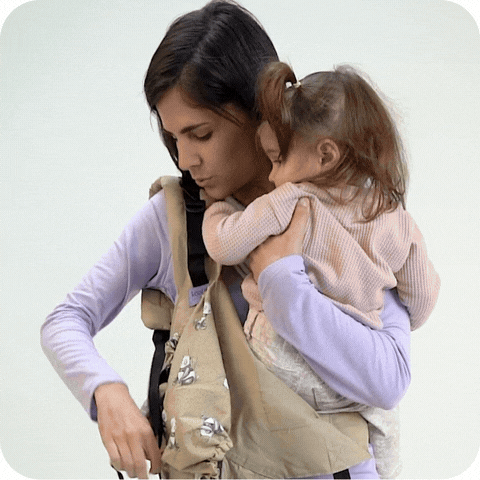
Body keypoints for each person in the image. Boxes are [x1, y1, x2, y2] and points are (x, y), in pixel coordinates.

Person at [41, 1, 412, 479]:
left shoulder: (348, 210)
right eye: (174, 137)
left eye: (201, 133)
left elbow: (388, 380)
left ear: (259, 112)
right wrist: (105, 391)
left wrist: (282, 279)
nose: (185, 158)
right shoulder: (176, 220)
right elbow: (65, 320)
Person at [202, 61, 441, 477]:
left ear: (325, 155)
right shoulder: (395, 217)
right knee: (380, 420)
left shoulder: (294, 200)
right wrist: (379, 305)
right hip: (350, 380)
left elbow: (225, 244)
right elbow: (422, 299)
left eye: (277, 160)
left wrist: (218, 211)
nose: (272, 175)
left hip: (281, 362)